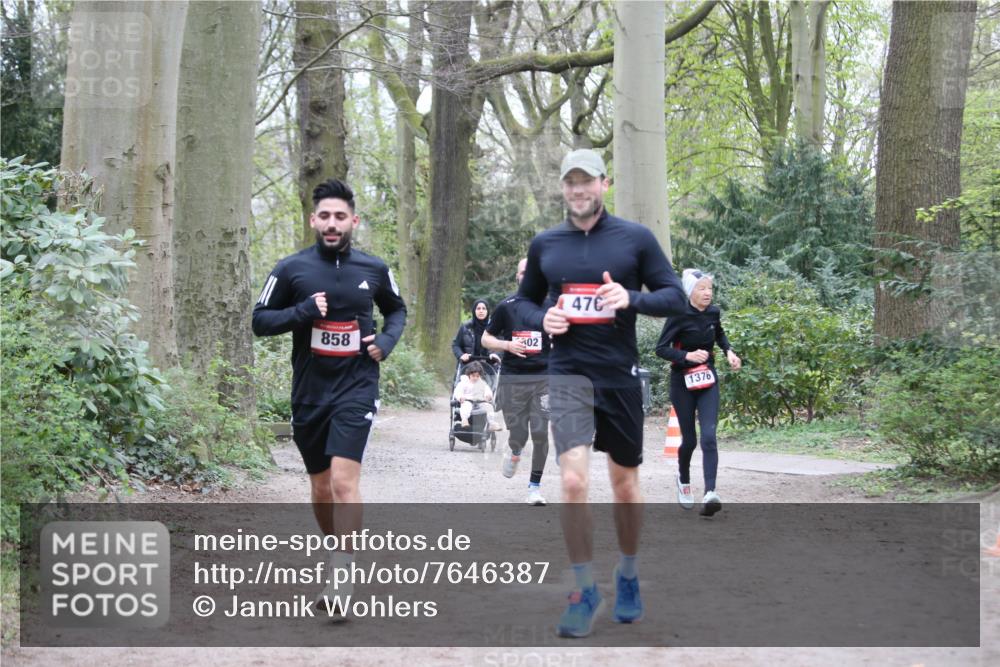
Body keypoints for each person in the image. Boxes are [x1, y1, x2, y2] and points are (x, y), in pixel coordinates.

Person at [515, 148, 687, 637]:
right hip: (568, 374)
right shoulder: (546, 244)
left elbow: (674, 296)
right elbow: (522, 303)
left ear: (603, 185)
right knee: (571, 483)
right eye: (570, 181)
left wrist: (630, 298)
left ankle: (627, 575)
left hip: (620, 376)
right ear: (562, 188)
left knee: (625, 486)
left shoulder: (634, 239)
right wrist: (541, 318)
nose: (578, 189)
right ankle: (583, 588)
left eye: (586, 181)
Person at [251, 178, 406, 614]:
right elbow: (259, 320)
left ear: (353, 221)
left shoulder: (373, 269)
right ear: (313, 219)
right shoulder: (290, 269)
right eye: (325, 216)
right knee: (320, 487)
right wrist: (302, 312)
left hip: (357, 386)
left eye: (341, 217)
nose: (333, 224)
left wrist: (386, 342)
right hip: (310, 392)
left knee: (343, 481)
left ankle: (342, 575)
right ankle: (338, 551)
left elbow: (397, 309)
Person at [655, 269, 741, 517]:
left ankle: (710, 493)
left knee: (709, 436)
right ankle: (683, 479)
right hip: (682, 382)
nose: (707, 293)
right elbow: (660, 349)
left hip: (708, 379)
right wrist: (687, 356)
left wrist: (729, 352)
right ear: (690, 291)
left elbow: (720, 334)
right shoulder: (678, 314)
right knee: (690, 440)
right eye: (702, 289)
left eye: (710, 289)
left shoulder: (714, 312)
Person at [482, 258, 552, 506]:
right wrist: (507, 345)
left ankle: (534, 487)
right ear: (518, 277)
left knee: (541, 432)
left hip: (544, 378)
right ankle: (514, 449)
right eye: (524, 273)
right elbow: (485, 339)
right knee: (518, 433)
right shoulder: (506, 307)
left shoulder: (551, 306)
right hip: (514, 379)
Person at [453, 361, 502, 430]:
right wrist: (460, 397)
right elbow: (458, 391)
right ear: (469, 374)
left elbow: (487, 390)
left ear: (480, 376)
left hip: (480, 401)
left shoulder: (482, 383)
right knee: (465, 406)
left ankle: (492, 423)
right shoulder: (464, 383)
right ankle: (464, 420)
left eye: (477, 376)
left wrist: (488, 395)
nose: (475, 378)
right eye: (473, 376)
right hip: (467, 400)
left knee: (489, 407)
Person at [452, 299, 499, 364]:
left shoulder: (495, 327)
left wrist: (496, 354)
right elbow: (456, 345)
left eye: (484, 308)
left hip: (490, 367)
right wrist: (461, 355)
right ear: (474, 311)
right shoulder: (465, 327)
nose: (481, 311)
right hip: (468, 366)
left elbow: (503, 344)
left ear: (487, 311)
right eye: (478, 308)